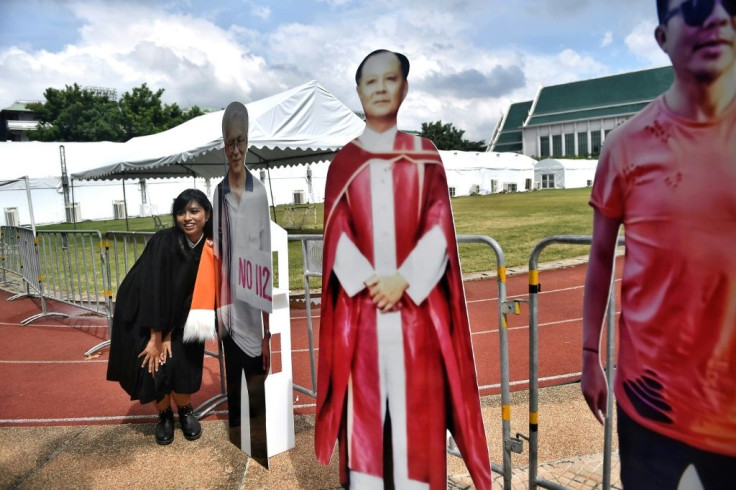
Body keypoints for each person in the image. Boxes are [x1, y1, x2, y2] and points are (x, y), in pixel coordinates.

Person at [315, 49, 491, 489]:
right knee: (366, 426)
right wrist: (371, 282)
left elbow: (439, 224)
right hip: (362, 320)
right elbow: (336, 234)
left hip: (417, 317)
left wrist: (405, 278)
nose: (378, 89)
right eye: (369, 82)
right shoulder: (343, 164)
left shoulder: (425, 155)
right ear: (358, 92)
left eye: (388, 79)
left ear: (404, 88)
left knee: (419, 421)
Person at [582, 1, 736, 487]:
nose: (715, 19)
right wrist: (589, 355)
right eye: (692, 9)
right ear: (661, 37)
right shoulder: (625, 144)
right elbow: (601, 256)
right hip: (651, 405)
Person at [107, 188, 215, 445]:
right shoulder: (164, 241)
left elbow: (194, 293)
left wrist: (170, 332)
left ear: (207, 214)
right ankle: (165, 415)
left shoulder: (211, 246)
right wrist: (157, 336)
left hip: (185, 317)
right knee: (155, 367)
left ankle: (186, 411)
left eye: (194, 211)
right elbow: (156, 290)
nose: (187, 218)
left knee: (182, 365)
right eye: (180, 212)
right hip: (145, 312)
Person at [212, 101, 272, 467]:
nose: (235, 150)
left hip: (255, 301)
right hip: (231, 303)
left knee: (257, 384)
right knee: (234, 382)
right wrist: (220, 306)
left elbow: (265, 253)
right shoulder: (218, 193)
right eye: (229, 143)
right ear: (224, 146)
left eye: (241, 142)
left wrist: (268, 326)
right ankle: (238, 447)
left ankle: (259, 440)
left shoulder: (259, 192)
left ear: (248, 143)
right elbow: (218, 254)